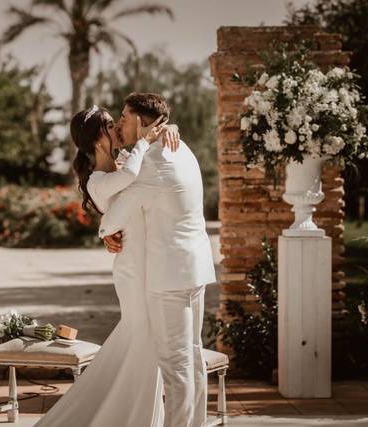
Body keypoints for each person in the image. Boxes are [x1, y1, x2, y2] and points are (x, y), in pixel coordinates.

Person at [34, 104, 177, 427]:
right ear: (99, 139)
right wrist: (143, 141)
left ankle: (131, 416)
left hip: (150, 262)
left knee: (140, 342)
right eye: (111, 124)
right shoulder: (99, 181)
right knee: (143, 338)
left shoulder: (128, 160)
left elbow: (153, 156)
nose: (119, 127)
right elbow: (129, 179)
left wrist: (169, 129)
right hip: (131, 269)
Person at [100, 93, 216, 427]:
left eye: (124, 117)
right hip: (194, 268)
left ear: (141, 121)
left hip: (169, 278)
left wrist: (106, 229)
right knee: (192, 358)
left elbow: (113, 219)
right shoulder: (182, 148)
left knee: (175, 366)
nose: (120, 123)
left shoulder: (152, 162)